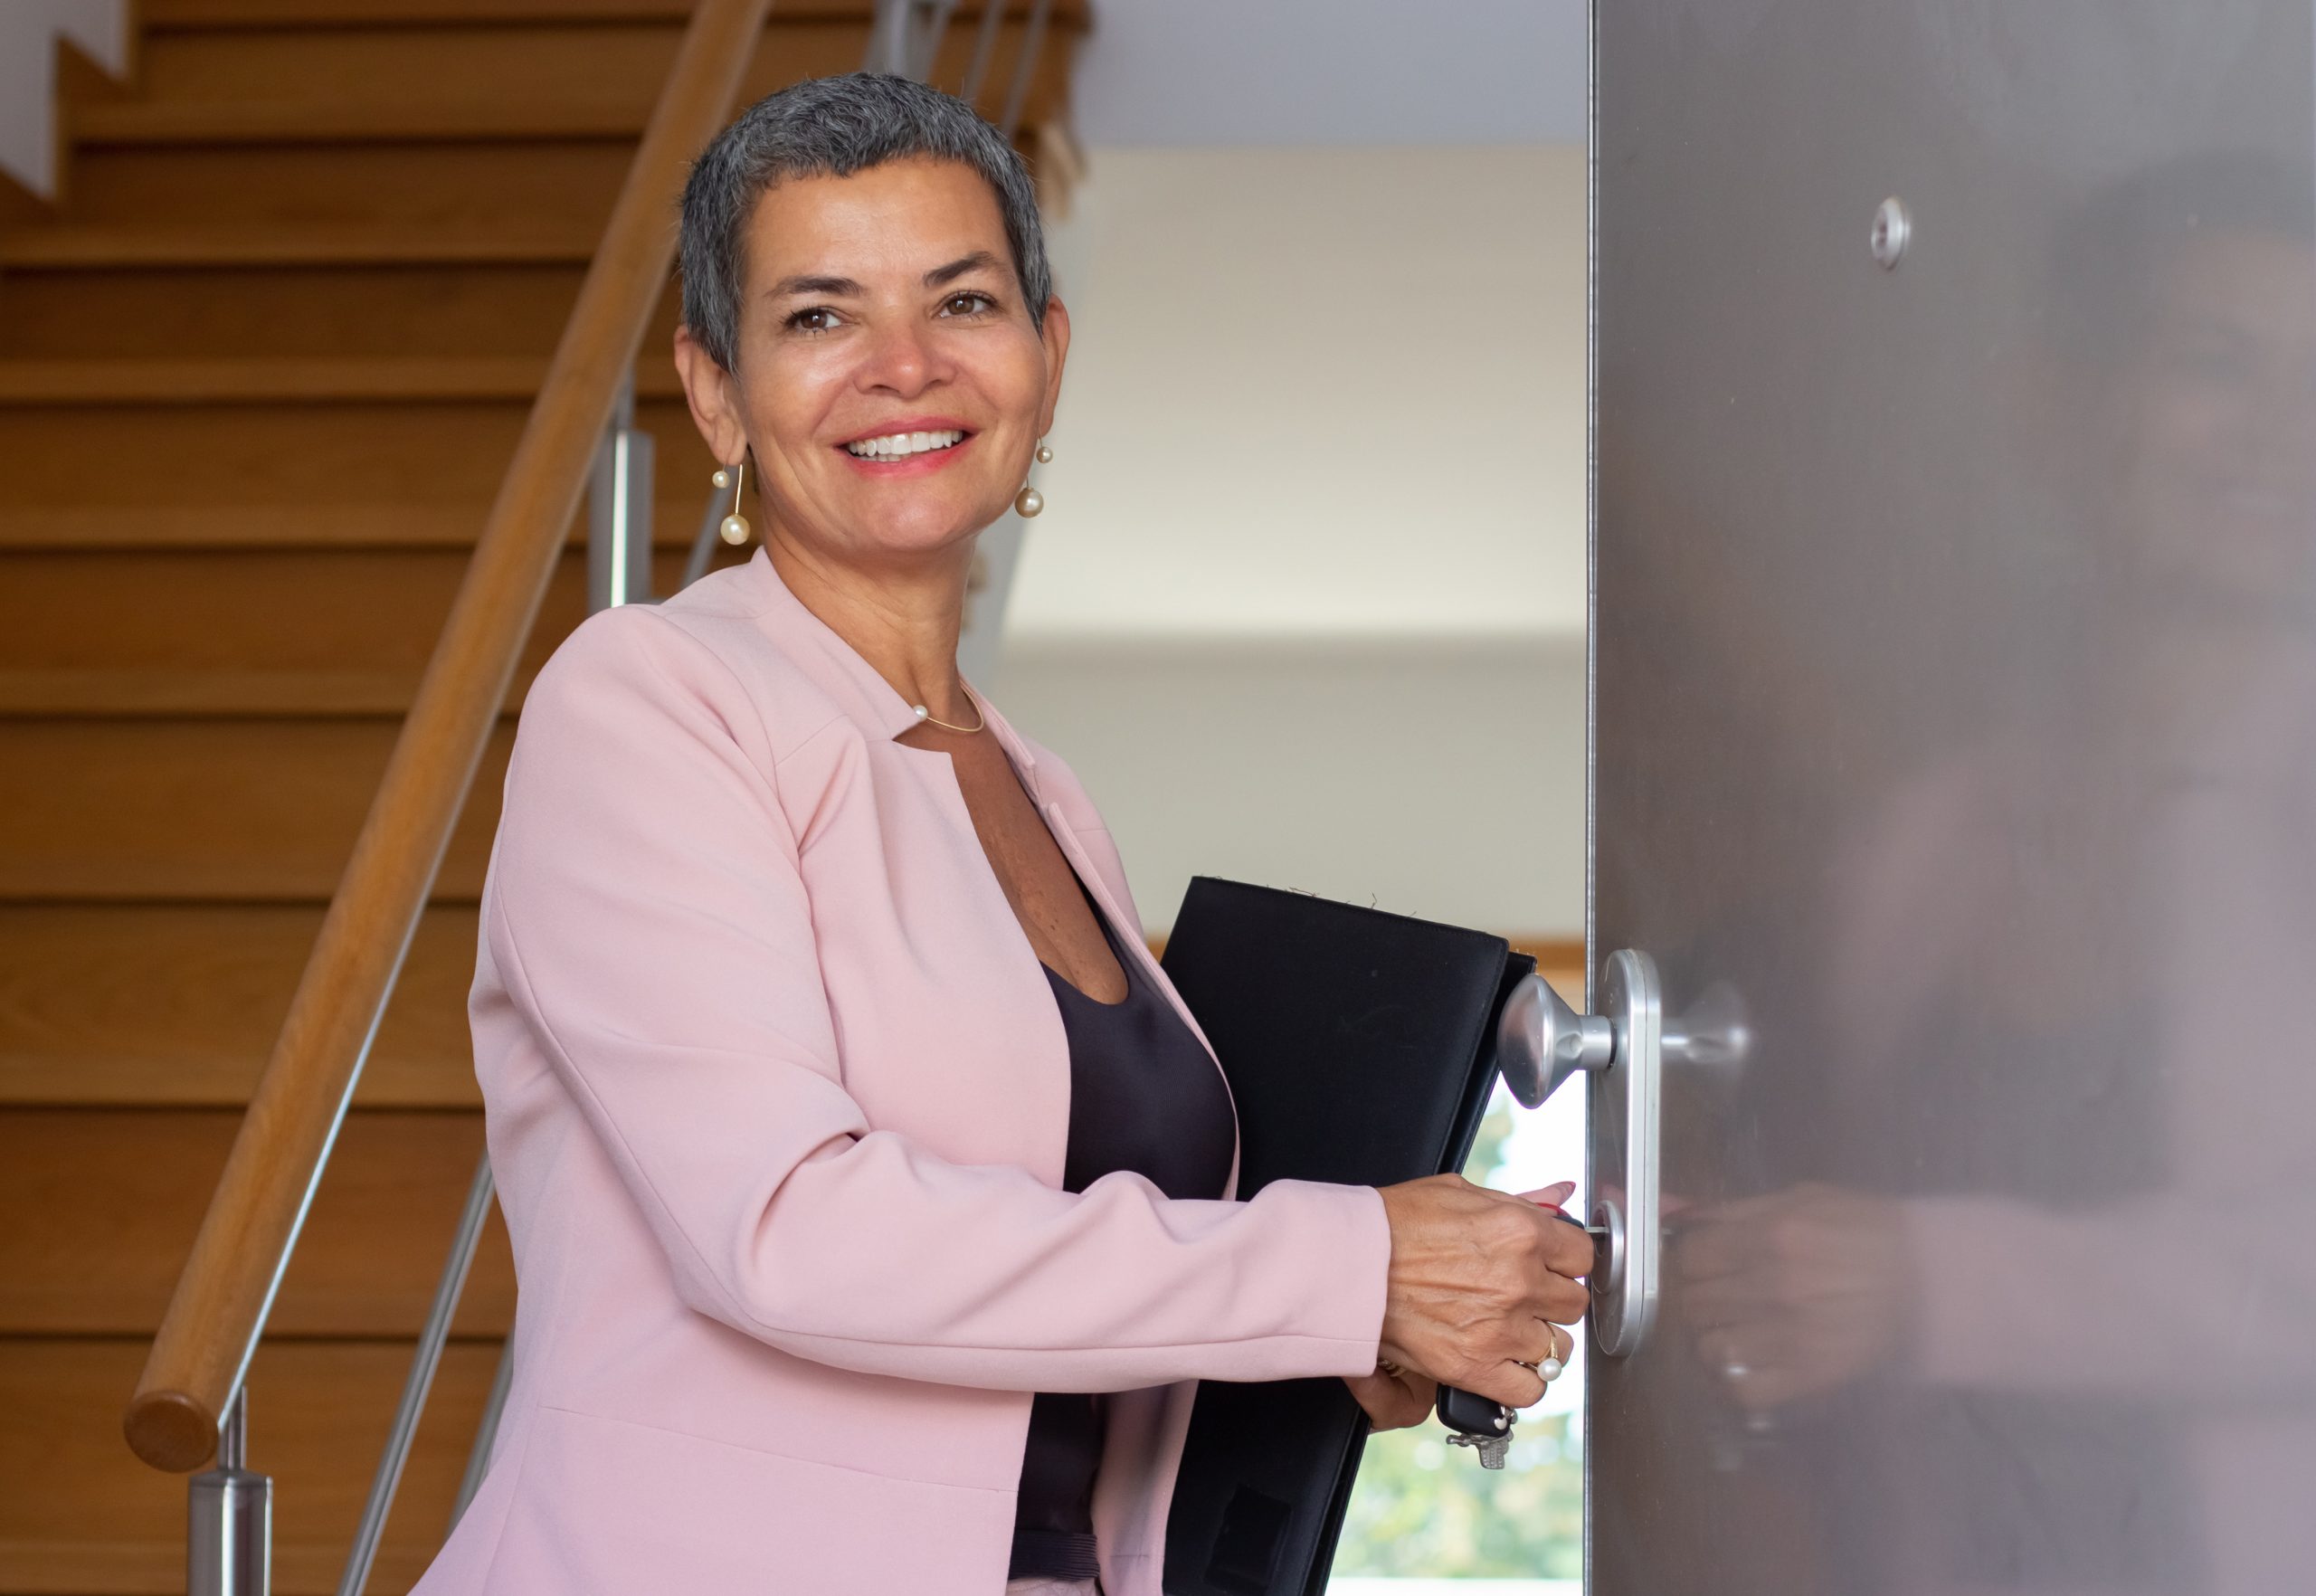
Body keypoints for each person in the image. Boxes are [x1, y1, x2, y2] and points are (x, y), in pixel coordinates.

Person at [410, 73, 1591, 1596]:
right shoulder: (649, 702)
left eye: (961, 301)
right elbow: (790, 1232)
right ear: (714, 392)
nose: (902, 367)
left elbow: (1064, 1296)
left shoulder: (1037, 789)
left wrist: (1345, 1331)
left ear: (1046, 352)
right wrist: (1347, 1265)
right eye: (820, 317)